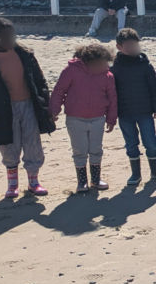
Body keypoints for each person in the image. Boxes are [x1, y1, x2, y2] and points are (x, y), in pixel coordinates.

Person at [0, 18, 55, 198]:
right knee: (9, 146)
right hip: (3, 110)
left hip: (29, 105)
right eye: (5, 36)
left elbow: (40, 81)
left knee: (32, 143)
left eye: (12, 35)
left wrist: (45, 103)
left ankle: (34, 181)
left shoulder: (26, 55)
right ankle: (12, 185)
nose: (10, 39)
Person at [50, 43, 117, 192]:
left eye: (105, 64)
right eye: (99, 64)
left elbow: (112, 98)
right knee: (79, 150)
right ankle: (82, 182)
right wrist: (54, 109)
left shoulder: (108, 76)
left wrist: (111, 118)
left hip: (98, 119)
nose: (103, 67)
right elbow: (59, 91)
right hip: (75, 119)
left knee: (96, 149)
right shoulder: (71, 71)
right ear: (88, 62)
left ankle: (95, 180)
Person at [110, 28, 156, 185]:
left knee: (151, 143)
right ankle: (136, 174)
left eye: (135, 44)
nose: (132, 48)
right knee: (131, 144)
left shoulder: (145, 65)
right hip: (124, 114)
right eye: (128, 45)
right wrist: (112, 114)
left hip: (145, 112)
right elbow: (111, 94)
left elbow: (154, 88)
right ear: (119, 47)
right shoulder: (114, 69)